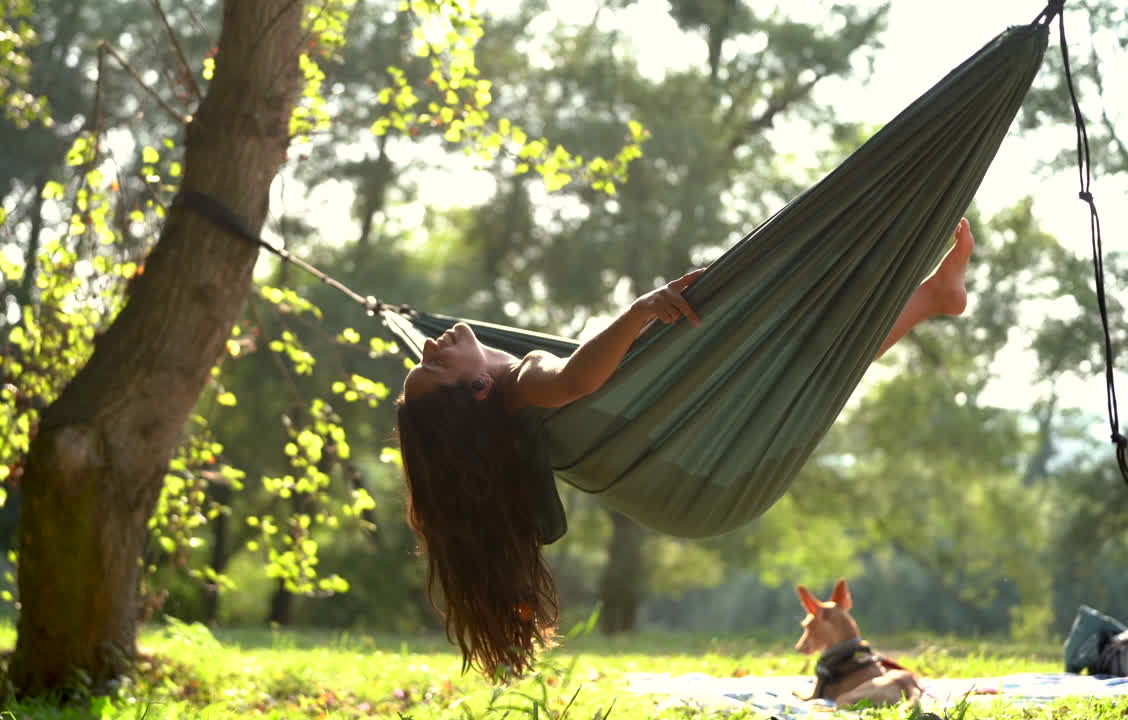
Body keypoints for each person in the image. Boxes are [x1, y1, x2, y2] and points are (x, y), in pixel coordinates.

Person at [395, 218, 976, 678]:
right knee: (801, 358)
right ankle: (929, 297)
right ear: (474, 390)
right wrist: (641, 310)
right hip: (700, 472)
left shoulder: (512, 409)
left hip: (699, 486)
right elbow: (576, 379)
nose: (426, 345)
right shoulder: (525, 381)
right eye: (433, 365)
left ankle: (930, 297)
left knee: (803, 366)